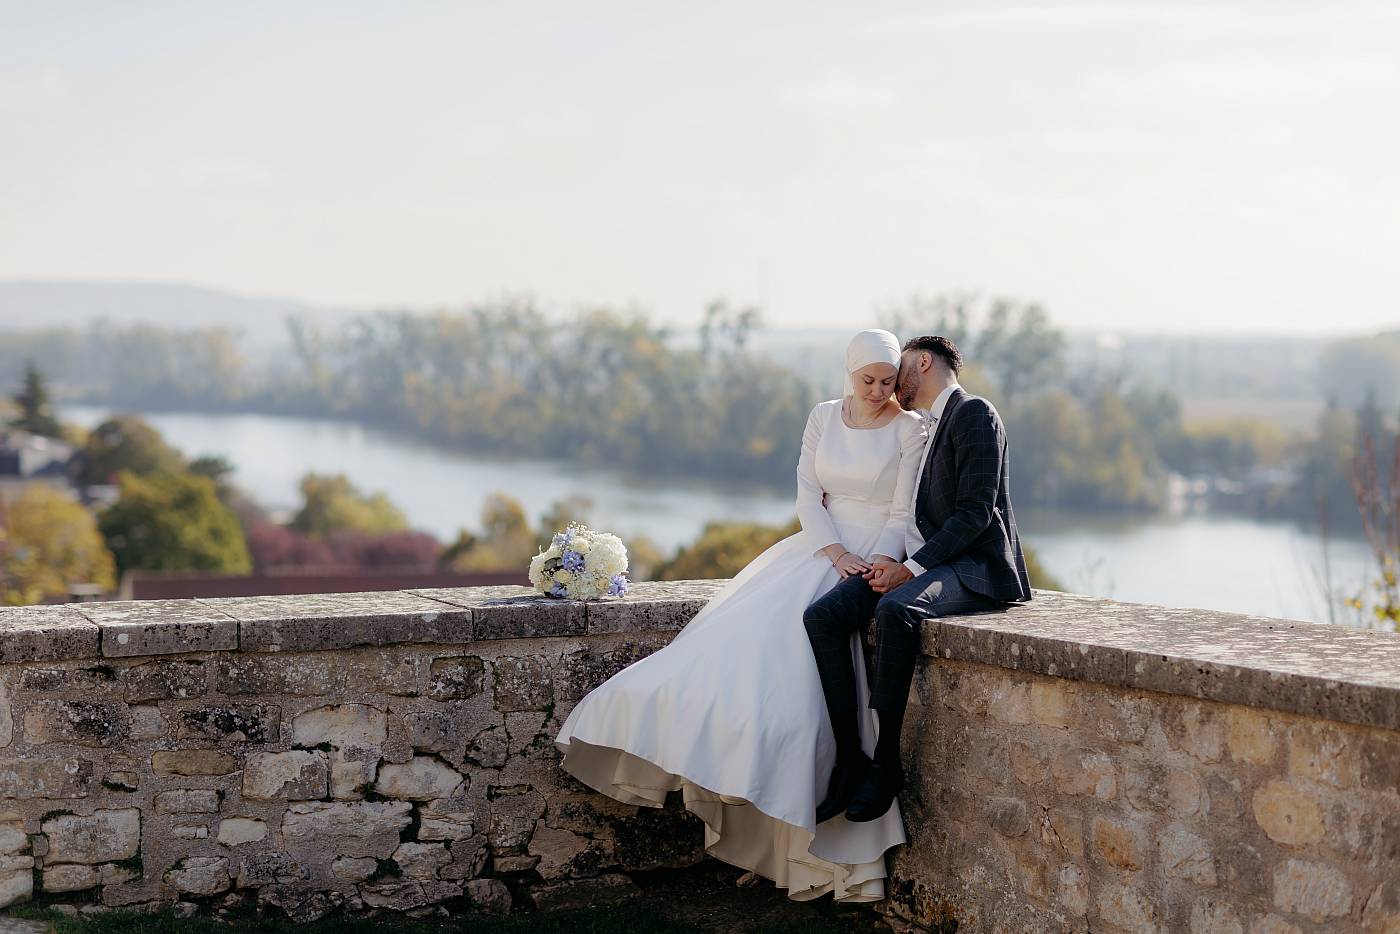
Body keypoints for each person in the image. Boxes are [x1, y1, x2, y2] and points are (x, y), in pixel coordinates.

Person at [554, 329, 926, 902]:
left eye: (887, 381)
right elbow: (807, 495)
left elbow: (903, 511)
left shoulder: (909, 429)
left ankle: (825, 818)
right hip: (820, 549)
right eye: (867, 380)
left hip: (875, 551)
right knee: (729, 658)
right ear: (848, 373)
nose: (878, 391)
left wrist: (877, 561)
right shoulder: (823, 417)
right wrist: (833, 552)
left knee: (801, 703)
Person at [803, 335, 1032, 826]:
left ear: (922, 361)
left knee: (896, 609)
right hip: (924, 560)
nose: (889, 384)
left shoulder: (974, 413)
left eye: (898, 370)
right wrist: (891, 560)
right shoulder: (925, 424)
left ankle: (885, 765)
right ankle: (849, 760)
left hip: (975, 567)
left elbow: (975, 514)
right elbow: (908, 511)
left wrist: (910, 568)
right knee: (824, 615)